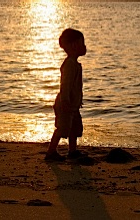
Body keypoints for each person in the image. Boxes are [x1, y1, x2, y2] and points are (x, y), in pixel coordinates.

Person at [45, 28, 87, 161]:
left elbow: (75, 87)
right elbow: (66, 86)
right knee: (62, 128)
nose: (84, 47)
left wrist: (77, 101)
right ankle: (51, 152)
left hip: (73, 104)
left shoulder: (75, 64)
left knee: (74, 129)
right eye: (82, 43)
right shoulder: (69, 64)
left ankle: (72, 151)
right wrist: (66, 102)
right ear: (74, 46)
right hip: (65, 103)